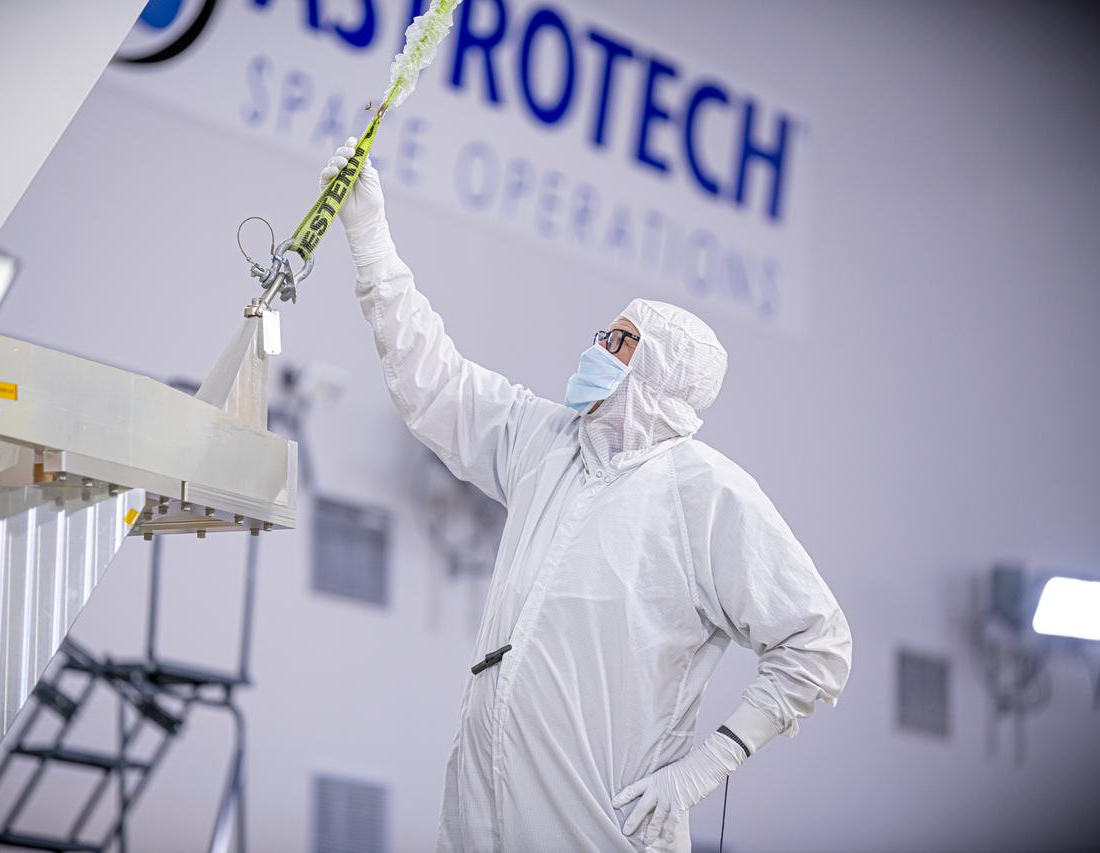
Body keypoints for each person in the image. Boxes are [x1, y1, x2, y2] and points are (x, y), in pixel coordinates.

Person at [320, 139, 852, 853]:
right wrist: (370, 237)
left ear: (658, 375)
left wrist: (704, 768)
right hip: (483, 814)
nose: (596, 347)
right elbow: (436, 382)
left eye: (619, 341)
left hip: (603, 825)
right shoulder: (545, 443)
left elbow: (817, 643)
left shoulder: (706, 493)